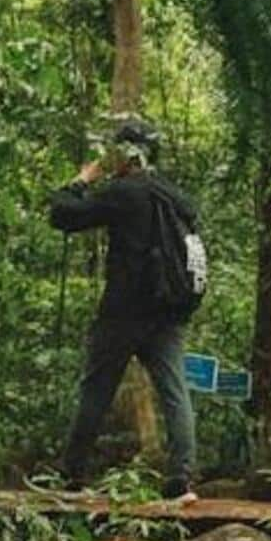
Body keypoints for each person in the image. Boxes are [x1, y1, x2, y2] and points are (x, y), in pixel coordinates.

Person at [47, 116, 200, 505]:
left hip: (122, 312)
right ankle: (182, 479)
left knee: (96, 389)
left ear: (127, 154)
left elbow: (63, 214)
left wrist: (82, 180)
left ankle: (71, 475)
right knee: (174, 392)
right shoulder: (174, 196)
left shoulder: (124, 192)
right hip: (167, 311)